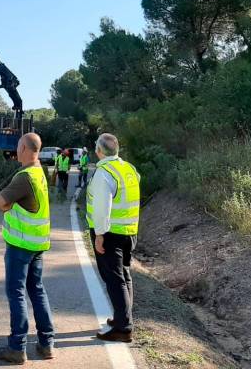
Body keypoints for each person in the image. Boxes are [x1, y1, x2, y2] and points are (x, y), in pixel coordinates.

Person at [0, 132, 55, 364]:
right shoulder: (39, 172)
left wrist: (4, 204)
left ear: (25, 149)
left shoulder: (24, 177)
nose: (16, 149)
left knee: (16, 292)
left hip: (20, 245)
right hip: (38, 244)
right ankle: (46, 344)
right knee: (37, 290)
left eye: (18, 145)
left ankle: (17, 347)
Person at [86, 133, 140, 343]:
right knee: (124, 276)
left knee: (114, 279)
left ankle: (123, 328)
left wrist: (100, 235)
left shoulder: (103, 172)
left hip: (110, 233)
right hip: (129, 232)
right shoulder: (129, 168)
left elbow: (102, 209)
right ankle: (123, 317)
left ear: (99, 151)